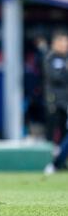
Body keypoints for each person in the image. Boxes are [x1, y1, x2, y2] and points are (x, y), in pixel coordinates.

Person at [43, 30, 68, 174]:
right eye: (63, 42)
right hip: (55, 102)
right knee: (53, 133)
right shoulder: (51, 58)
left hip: (66, 102)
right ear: (55, 43)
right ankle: (53, 163)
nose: (65, 45)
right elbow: (55, 77)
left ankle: (59, 162)